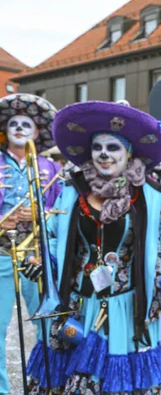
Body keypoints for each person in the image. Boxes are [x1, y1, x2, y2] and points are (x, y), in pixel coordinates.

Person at [25, 101, 161, 393]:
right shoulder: (71, 190)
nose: (103, 154)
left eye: (112, 147)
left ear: (128, 154)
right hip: (75, 306)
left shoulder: (152, 195)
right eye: (97, 147)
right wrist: (43, 261)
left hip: (127, 310)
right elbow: (51, 236)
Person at [0, 93, 62, 394]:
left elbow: (63, 211)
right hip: (0, 252)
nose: (20, 128)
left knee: (46, 323)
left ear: (37, 132)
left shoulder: (51, 168)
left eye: (27, 124)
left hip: (36, 255)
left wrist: (42, 214)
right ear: (5, 129)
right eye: (14, 123)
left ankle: (45, 384)